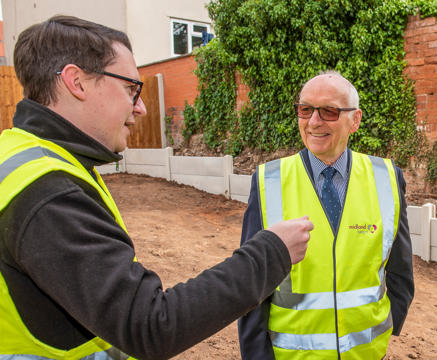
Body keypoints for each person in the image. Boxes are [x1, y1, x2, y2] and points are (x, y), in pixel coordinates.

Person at [0, 15, 314, 359]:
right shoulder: (49, 191)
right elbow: (150, 326)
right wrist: (271, 253)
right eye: (131, 89)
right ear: (77, 81)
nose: (141, 107)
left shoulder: (23, 156)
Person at [237, 70, 414, 359]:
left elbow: (400, 269)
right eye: (305, 110)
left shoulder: (387, 177)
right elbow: (251, 282)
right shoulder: (269, 181)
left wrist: (383, 329)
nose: (314, 122)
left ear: (354, 120)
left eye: (329, 111)